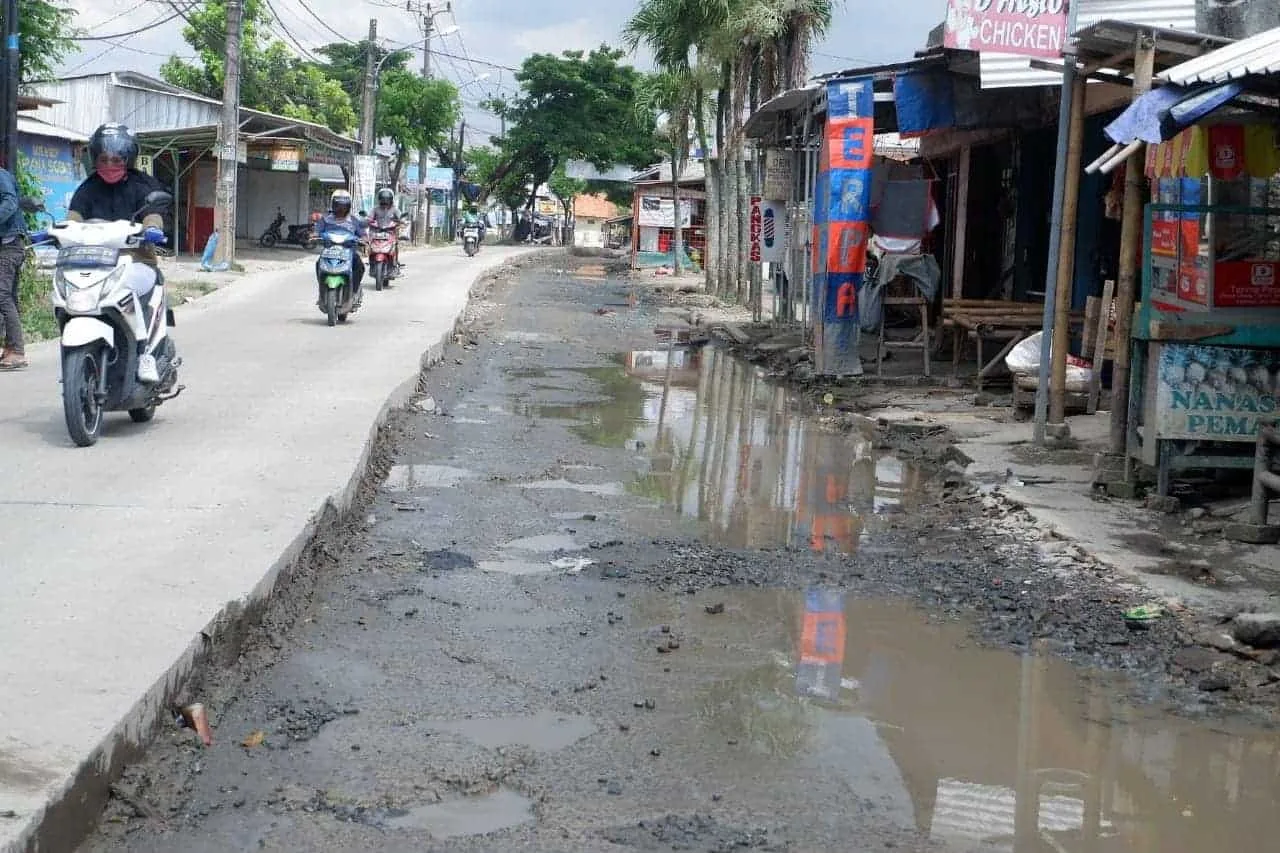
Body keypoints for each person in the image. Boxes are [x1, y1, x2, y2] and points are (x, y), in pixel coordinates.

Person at [66, 123, 169, 383]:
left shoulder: (143, 186)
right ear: (95, 159)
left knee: (129, 291)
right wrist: (56, 232)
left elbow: (153, 214)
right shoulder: (87, 188)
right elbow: (73, 218)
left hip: (136, 262)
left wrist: (153, 228)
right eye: (103, 158)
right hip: (96, 264)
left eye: (116, 158)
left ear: (128, 158)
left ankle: (144, 353)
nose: (109, 163)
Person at [315, 189, 367, 296]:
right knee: (318, 264)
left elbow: (362, 233)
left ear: (348, 207)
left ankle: (354, 291)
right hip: (329, 251)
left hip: (349, 252)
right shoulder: (325, 219)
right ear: (333, 205)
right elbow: (317, 231)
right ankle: (322, 290)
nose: (341, 209)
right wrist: (314, 235)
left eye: (344, 206)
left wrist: (364, 239)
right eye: (338, 206)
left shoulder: (353, 220)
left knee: (360, 267)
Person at [0, 163, 27, 370]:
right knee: (9, 296)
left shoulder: (1, 176)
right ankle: (12, 348)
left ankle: (17, 351)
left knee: (2, 295)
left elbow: (10, 202)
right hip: (9, 244)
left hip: (10, 245)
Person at [368, 187, 403, 275]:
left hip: (390, 233)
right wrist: (368, 220)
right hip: (377, 232)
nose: (385, 202)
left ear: (391, 200)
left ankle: (394, 264)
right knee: (371, 246)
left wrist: (401, 221)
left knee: (395, 245)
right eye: (383, 200)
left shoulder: (395, 209)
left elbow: (401, 218)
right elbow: (369, 218)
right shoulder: (375, 209)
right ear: (379, 199)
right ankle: (372, 263)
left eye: (387, 200)